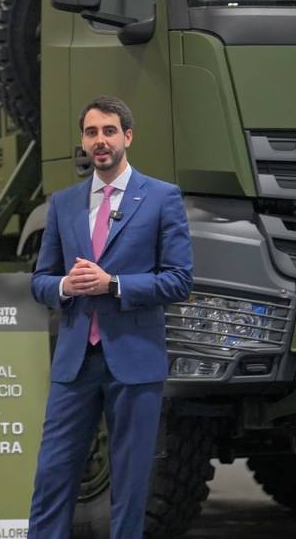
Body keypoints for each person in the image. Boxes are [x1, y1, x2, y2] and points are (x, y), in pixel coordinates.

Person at [28, 96, 193, 538]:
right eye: (91, 132)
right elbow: (40, 280)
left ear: (127, 137)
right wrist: (66, 286)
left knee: (131, 484)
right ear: (83, 141)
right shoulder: (63, 204)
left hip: (135, 360)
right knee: (52, 475)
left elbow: (179, 280)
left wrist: (114, 284)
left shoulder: (162, 198)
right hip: (75, 363)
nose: (100, 141)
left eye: (109, 131)